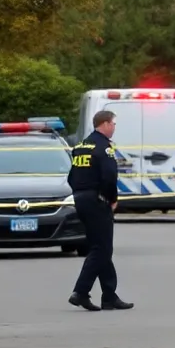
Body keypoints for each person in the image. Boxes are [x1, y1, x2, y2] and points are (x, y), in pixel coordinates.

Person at [67, 110, 133, 312]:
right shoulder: (104, 148)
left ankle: (109, 296)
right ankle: (80, 291)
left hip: (80, 198)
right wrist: (112, 199)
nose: (114, 127)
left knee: (101, 246)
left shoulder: (81, 146)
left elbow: (71, 177)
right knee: (101, 249)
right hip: (97, 200)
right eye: (113, 123)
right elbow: (109, 176)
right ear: (104, 124)